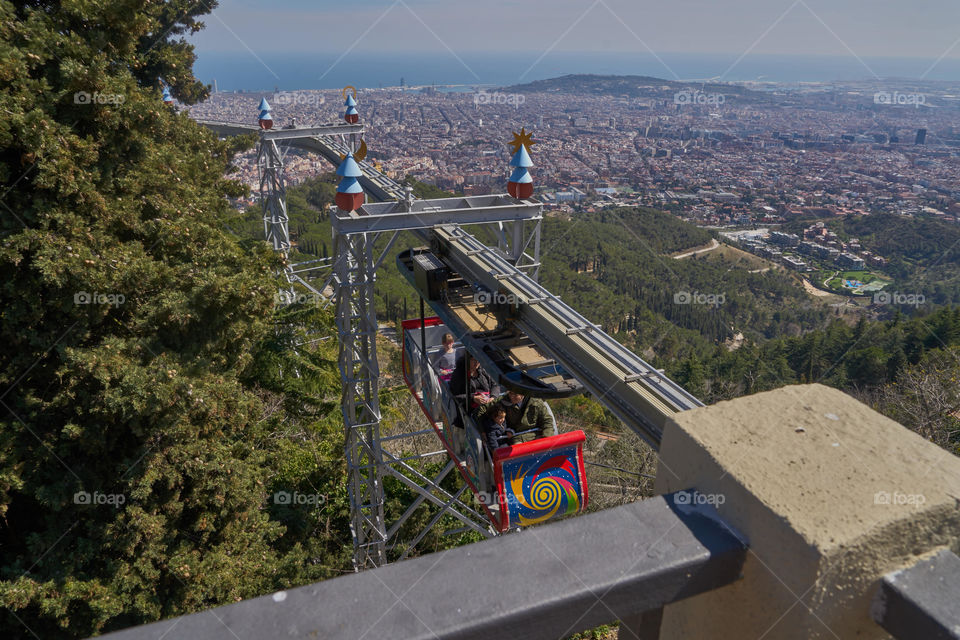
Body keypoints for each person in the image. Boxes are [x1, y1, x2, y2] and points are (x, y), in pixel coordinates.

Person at [479, 390, 550, 444]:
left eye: (515, 394)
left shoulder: (536, 400)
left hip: (536, 435)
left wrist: (547, 438)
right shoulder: (503, 400)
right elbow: (480, 411)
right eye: (510, 393)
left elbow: (547, 420)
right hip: (516, 437)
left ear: (523, 393)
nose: (511, 396)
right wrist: (482, 431)